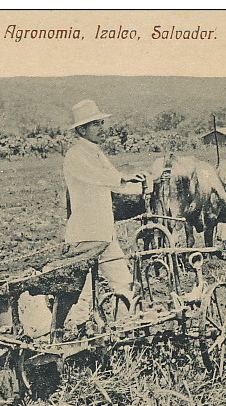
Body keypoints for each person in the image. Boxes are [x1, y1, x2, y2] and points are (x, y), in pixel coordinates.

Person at [59, 99, 146, 325]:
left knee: (123, 280)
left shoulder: (97, 153)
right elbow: (98, 177)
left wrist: (149, 185)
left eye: (101, 123)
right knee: (83, 292)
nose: (101, 128)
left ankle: (124, 328)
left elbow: (118, 183)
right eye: (95, 124)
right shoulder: (75, 155)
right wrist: (123, 177)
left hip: (104, 234)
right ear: (81, 130)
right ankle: (70, 337)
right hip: (84, 236)